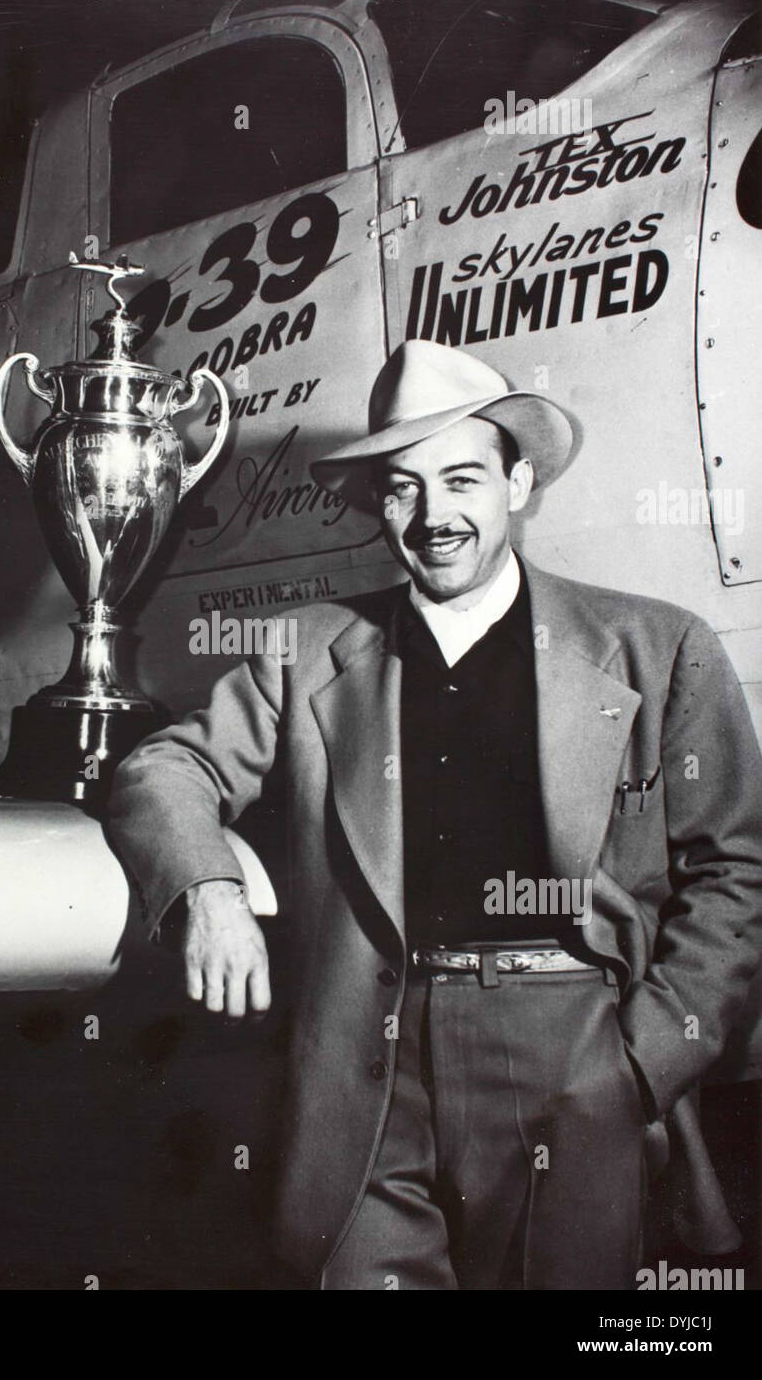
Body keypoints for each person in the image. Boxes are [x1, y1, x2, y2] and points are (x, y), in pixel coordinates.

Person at [107, 339, 762, 1289]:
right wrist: (208, 889)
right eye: (403, 488)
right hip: (368, 1060)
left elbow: (735, 871)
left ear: (519, 482)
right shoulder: (307, 650)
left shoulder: (656, 647)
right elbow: (165, 766)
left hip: (576, 1048)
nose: (433, 516)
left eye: (461, 479)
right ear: (378, 503)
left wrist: (642, 1062)